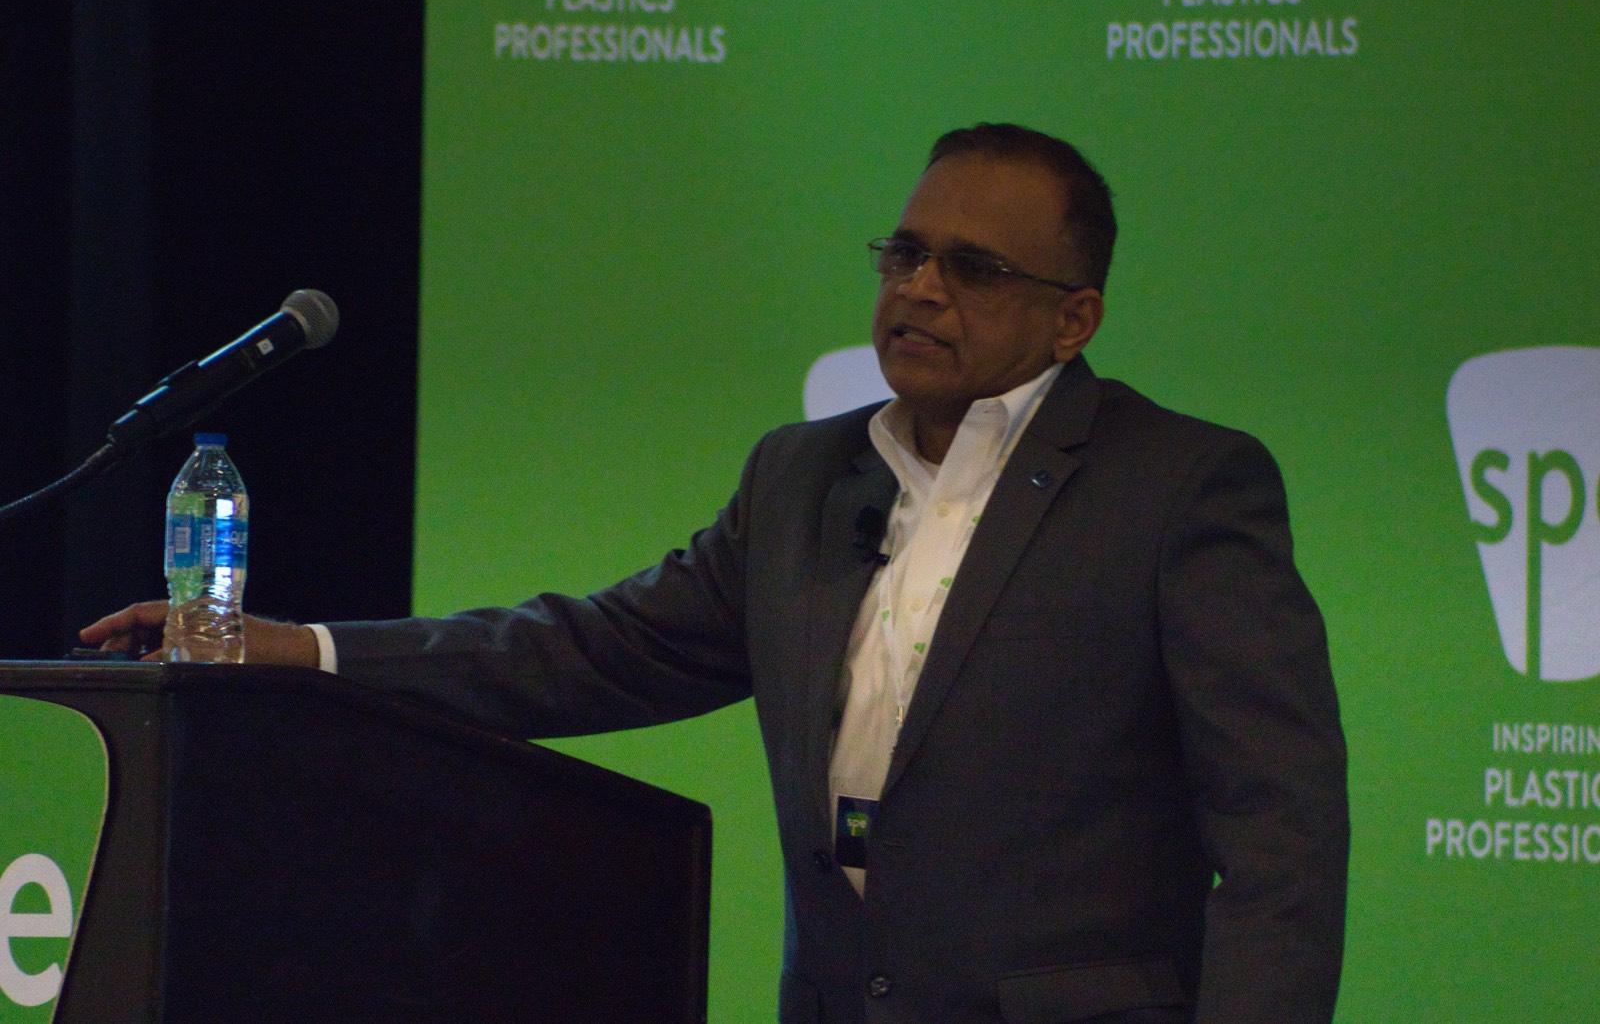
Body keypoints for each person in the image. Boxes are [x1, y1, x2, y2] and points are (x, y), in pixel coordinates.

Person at [85, 123, 1349, 1024]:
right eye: (904, 253)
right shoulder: (803, 476)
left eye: (974, 269)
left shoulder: (1178, 486)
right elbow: (593, 648)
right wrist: (303, 651)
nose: (920, 289)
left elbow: (1280, 839)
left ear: (1073, 318)